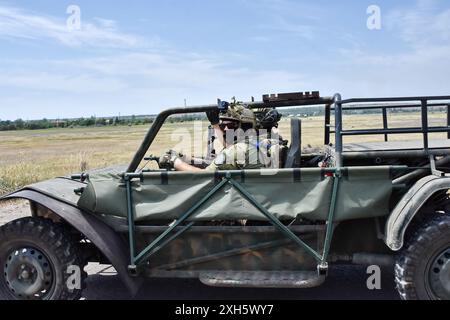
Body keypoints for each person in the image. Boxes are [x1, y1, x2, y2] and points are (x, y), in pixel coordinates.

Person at [159, 102, 265, 172]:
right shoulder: (259, 142)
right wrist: (186, 158)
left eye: (231, 125)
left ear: (245, 126)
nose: (226, 130)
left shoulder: (236, 151)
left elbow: (205, 176)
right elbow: (223, 156)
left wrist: (175, 162)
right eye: (223, 125)